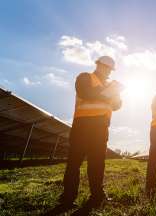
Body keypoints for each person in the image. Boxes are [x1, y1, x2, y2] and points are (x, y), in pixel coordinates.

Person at [57, 56, 123, 209]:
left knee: (97, 164)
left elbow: (118, 105)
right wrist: (109, 93)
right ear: (98, 65)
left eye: (109, 69)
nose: (107, 71)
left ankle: (97, 196)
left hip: (101, 129)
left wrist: (115, 93)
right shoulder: (85, 77)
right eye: (104, 67)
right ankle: (67, 198)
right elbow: (86, 92)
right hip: (82, 126)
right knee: (74, 163)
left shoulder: (109, 85)